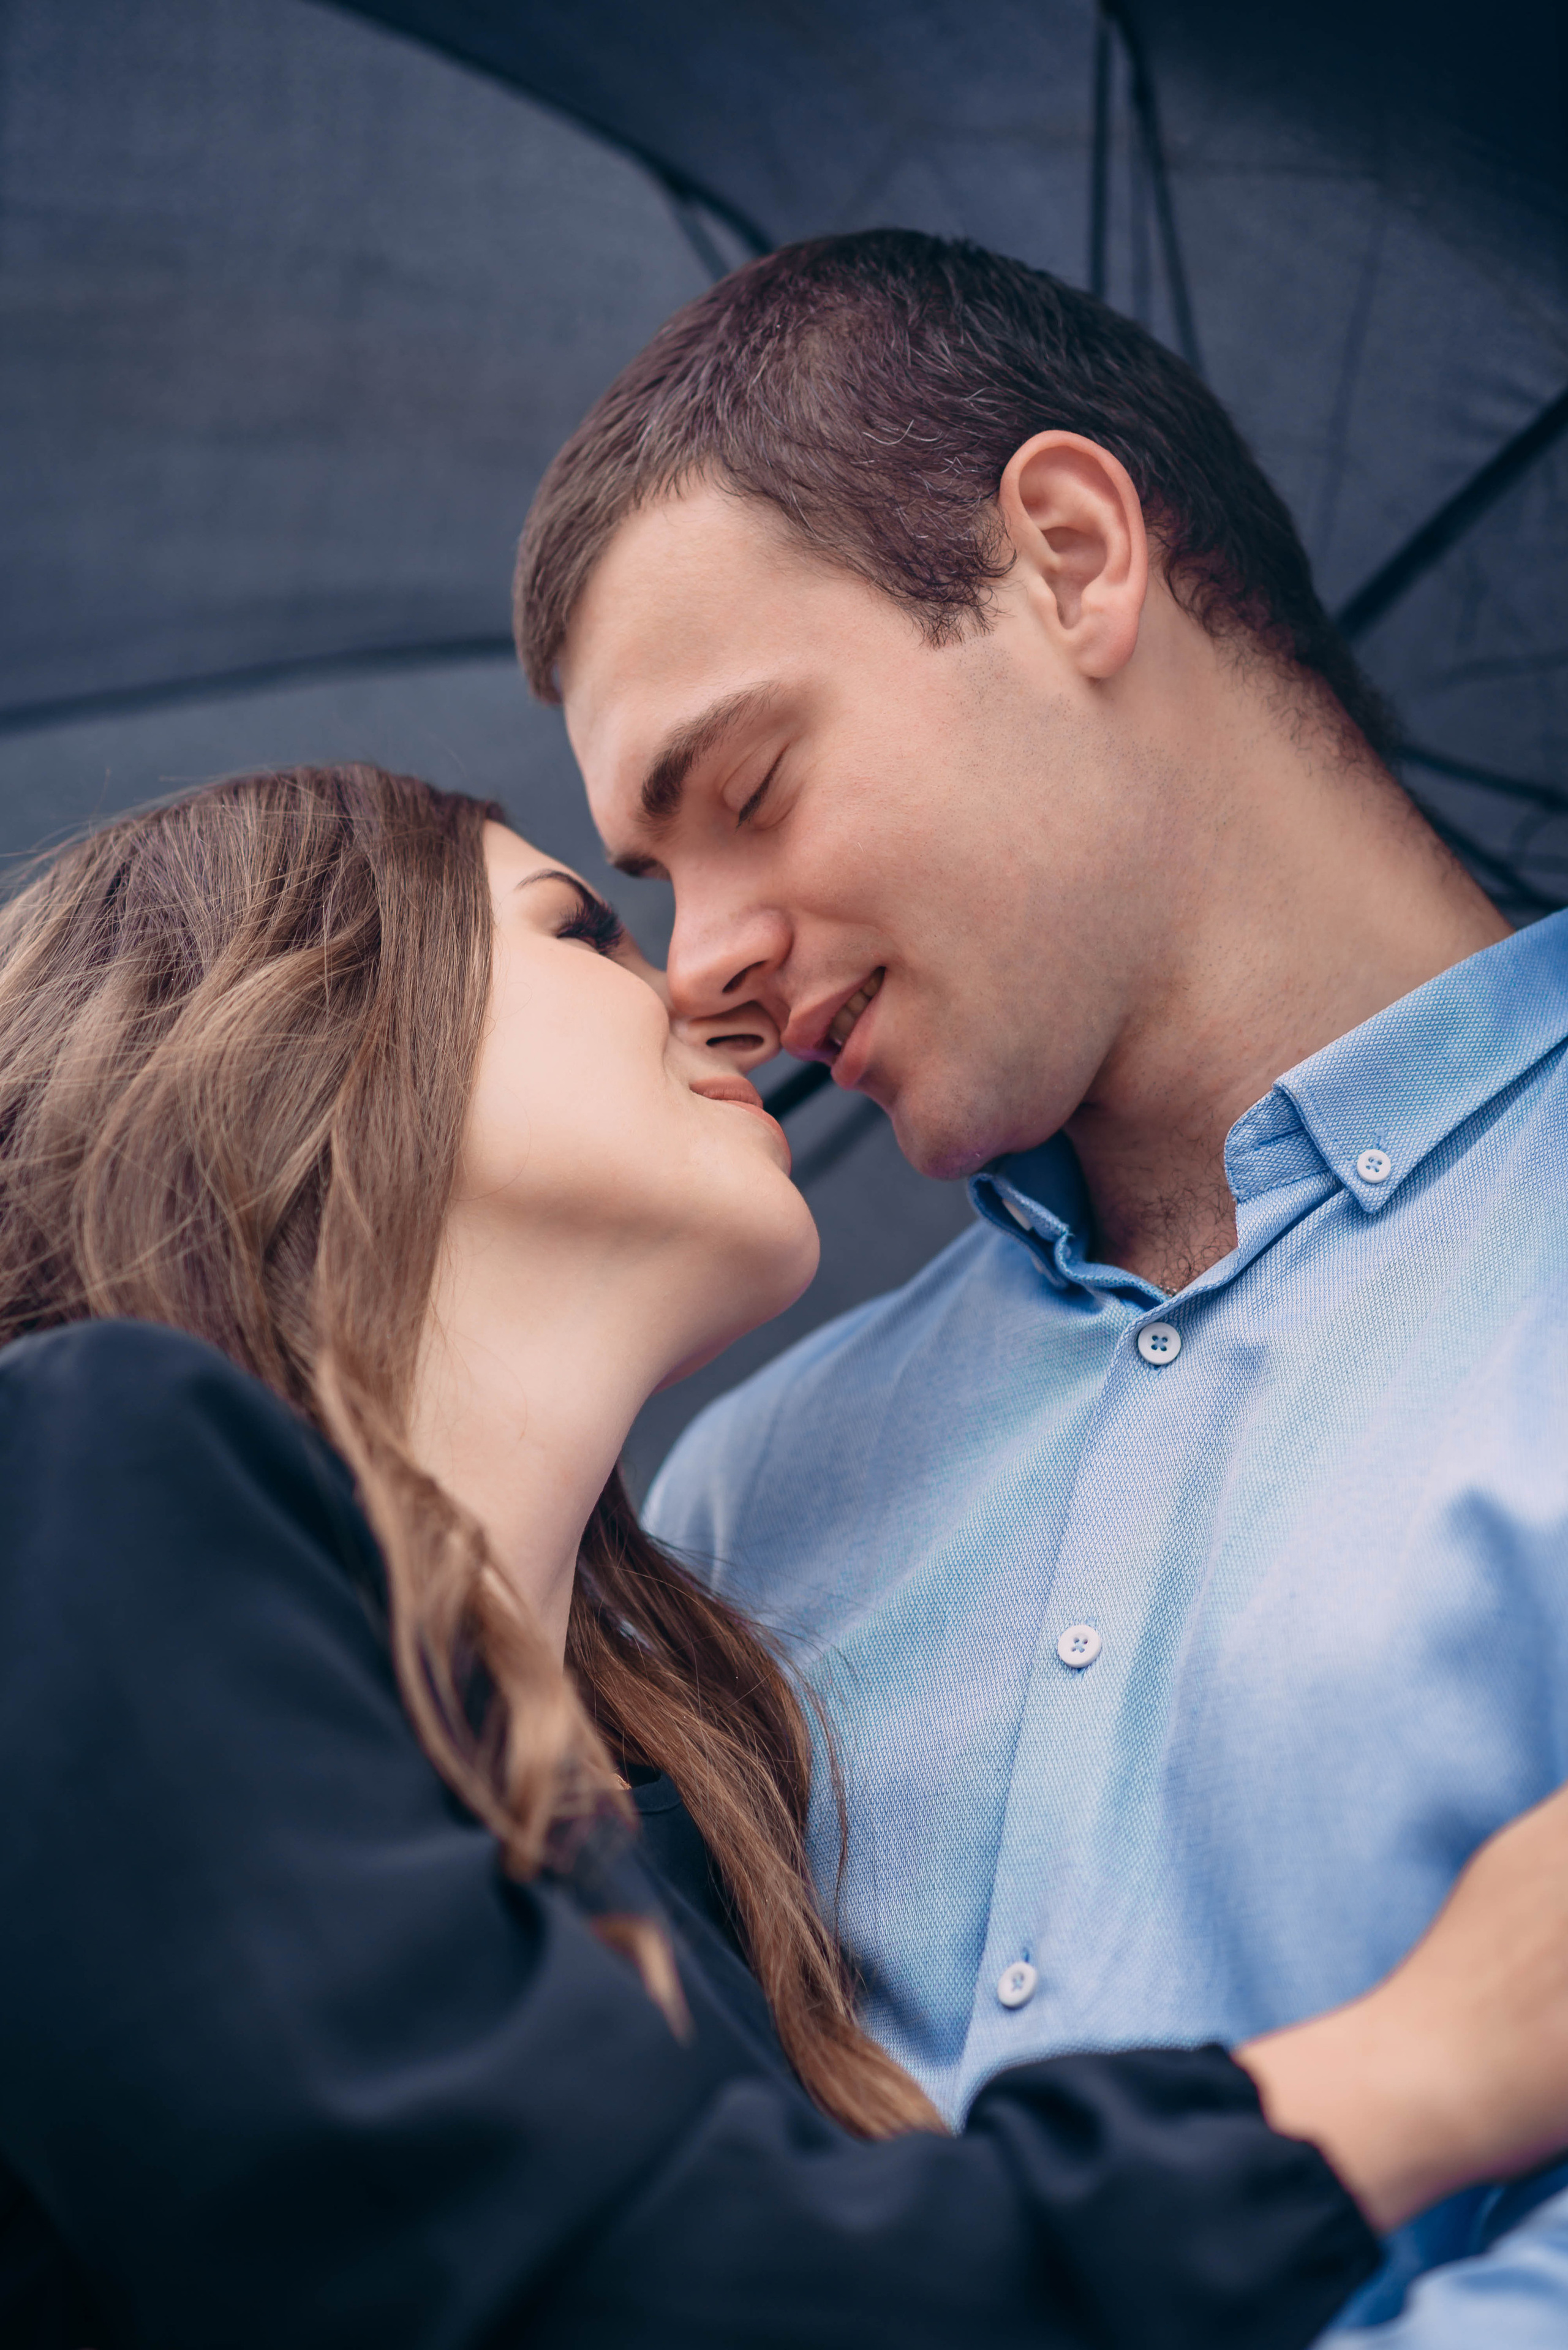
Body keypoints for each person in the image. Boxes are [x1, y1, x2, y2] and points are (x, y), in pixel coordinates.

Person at [2, 765, 1567, 2350]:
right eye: (582, 928)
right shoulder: (77, 1464)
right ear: (315, 1033)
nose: (704, 990)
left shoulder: (674, 1839)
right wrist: (1421, 2063)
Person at [514, 229, 1568, 2340]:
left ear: (1071, 557)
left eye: (749, 790)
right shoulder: (737, 1497)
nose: (700, 965)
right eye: (650, 880)